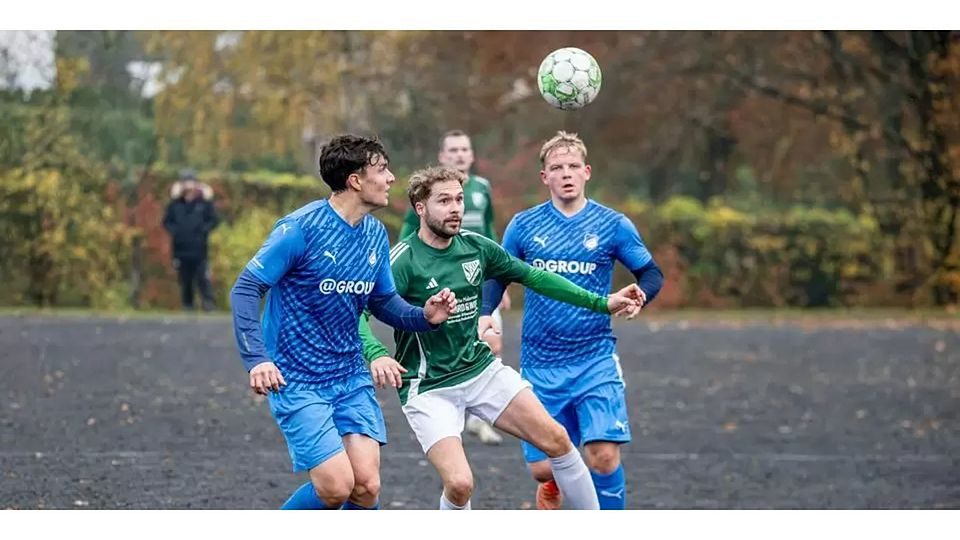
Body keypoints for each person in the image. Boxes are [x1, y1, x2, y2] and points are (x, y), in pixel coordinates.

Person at [358, 165, 644, 510]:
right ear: (420, 208)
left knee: (558, 441)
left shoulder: (477, 247)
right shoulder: (402, 261)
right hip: (429, 386)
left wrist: (602, 302)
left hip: (480, 371)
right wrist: (376, 353)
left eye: (460, 200)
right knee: (460, 484)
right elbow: (359, 313)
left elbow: (534, 276)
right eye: (444, 201)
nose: (455, 209)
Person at [229, 135, 458, 511]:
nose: (390, 178)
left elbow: (383, 301)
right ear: (355, 180)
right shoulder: (299, 229)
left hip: (349, 376)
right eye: (382, 170)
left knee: (366, 487)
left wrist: (424, 317)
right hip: (298, 379)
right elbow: (246, 288)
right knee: (336, 486)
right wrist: (257, 359)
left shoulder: (374, 234)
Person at [483, 131, 664, 510]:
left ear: (587, 172)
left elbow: (650, 273)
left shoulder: (612, 224)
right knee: (545, 469)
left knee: (603, 456)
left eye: (572, 166)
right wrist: (485, 316)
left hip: (594, 358)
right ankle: (555, 485)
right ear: (544, 177)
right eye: (556, 168)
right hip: (540, 362)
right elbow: (497, 275)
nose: (565, 173)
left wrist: (639, 295)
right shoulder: (524, 225)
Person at [399, 129, 507, 445]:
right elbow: (410, 230)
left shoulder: (482, 189)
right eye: (453, 150)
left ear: (472, 155)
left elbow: (488, 230)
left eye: (465, 149)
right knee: (447, 341)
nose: (460, 155)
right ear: (443, 156)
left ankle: (480, 417)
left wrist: (498, 279)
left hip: (477, 277)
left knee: (493, 343)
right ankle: (447, 411)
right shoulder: (429, 192)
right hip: (439, 279)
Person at [162, 170, 219, 311]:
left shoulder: (203, 203)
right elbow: (166, 222)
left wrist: (203, 230)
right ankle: (188, 305)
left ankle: (208, 304)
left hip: (199, 248)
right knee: (185, 279)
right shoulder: (175, 204)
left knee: (202, 277)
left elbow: (214, 220)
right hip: (181, 248)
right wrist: (177, 231)